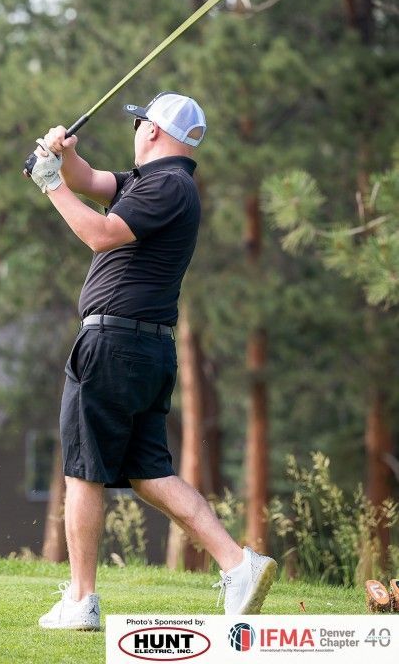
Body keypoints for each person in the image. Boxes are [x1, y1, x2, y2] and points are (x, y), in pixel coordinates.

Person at [27, 91, 276, 630]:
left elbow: (99, 234)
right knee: (148, 471)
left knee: (83, 472)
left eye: (140, 122)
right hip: (142, 347)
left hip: (114, 345)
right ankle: (240, 565)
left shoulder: (166, 185)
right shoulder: (156, 182)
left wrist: (49, 183)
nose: (135, 129)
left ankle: (81, 599)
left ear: (154, 132)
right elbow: (90, 182)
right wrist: (63, 156)